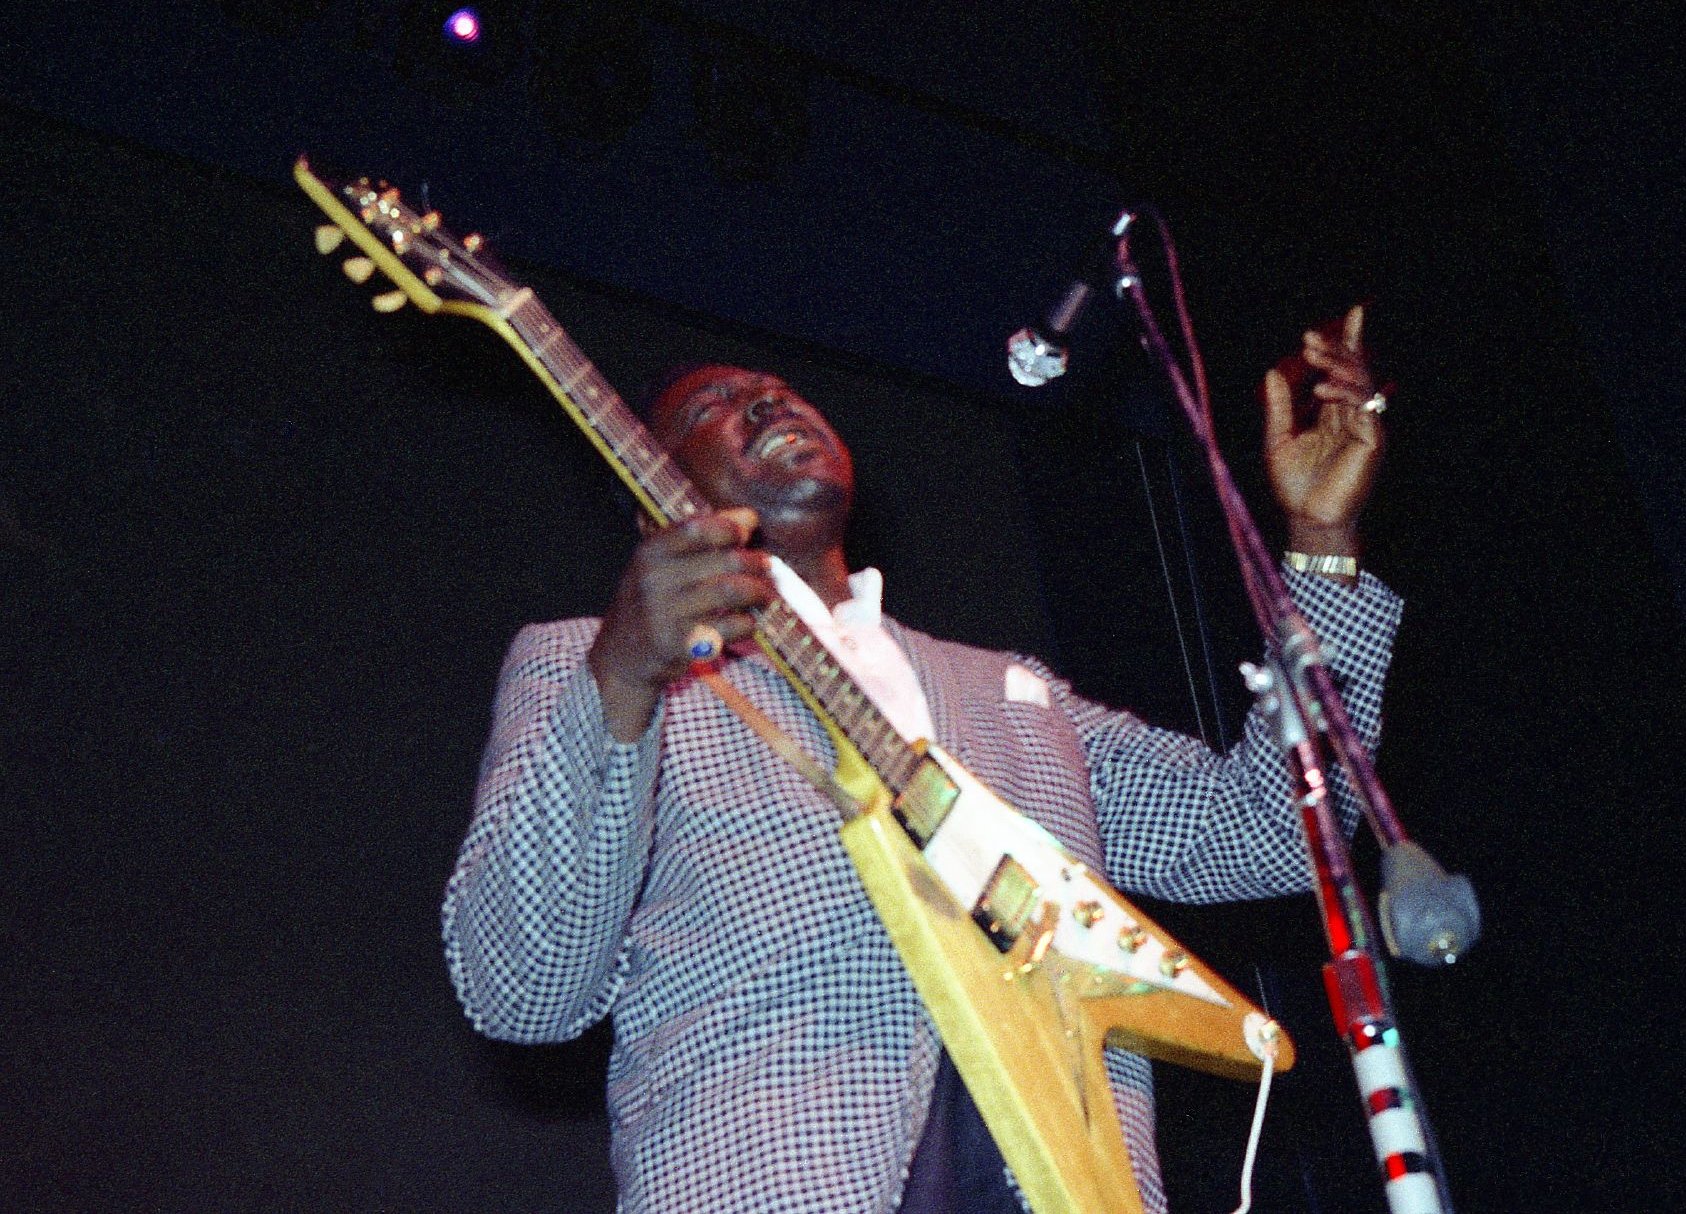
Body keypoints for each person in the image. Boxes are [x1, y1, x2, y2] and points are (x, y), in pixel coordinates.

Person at [441, 306, 1402, 1213]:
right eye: (712, 408)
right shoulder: (601, 669)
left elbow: (1268, 832)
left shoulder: (1009, 693)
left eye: (779, 389)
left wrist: (1323, 544)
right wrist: (623, 672)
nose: (766, 402)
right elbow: (523, 986)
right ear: (648, 494)